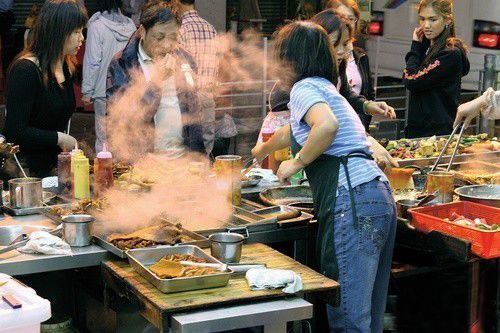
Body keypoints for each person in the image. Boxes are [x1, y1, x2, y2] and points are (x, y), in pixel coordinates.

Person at [252, 21, 396, 333]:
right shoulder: (325, 88)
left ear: (292, 59)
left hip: (354, 201)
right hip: (378, 196)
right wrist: (261, 148)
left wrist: (296, 163)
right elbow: (294, 129)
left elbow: (326, 127)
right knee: (366, 317)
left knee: (348, 318)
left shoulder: (304, 88)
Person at [107, 0, 204, 158]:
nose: (166, 45)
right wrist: (157, 81)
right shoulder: (122, 63)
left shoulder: (185, 59)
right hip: (144, 164)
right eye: (159, 37)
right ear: (143, 31)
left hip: (183, 162)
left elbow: (195, 114)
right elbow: (123, 120)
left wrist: (200, 157)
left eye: (173, 37)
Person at [4, 0, 87, 178]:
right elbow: (15, 131)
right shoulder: (26, 70)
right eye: (77, 32)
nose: (82, 38)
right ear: (59, 32)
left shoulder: (65, 64)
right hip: (25, 173)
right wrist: (60, 138)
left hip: (54, 169)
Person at [311, 10, 398, 170]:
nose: (340, 51)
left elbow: (346, 95)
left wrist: (368, 105)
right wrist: (365, 138)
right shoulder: (309, 78)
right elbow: (330, 120)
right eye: (333, 44)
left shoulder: (338, 67)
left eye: (344, 44)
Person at [403, 0, 469, 138]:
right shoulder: (428, 47)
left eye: (433, 19)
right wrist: (419, 47)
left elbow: (411, 80)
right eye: (422, 19)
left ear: (447, 20)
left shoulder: (449, 53)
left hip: (437, 134)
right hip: (421, 131)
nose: (426, 25)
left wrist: (415, 46)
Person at [82, 0, 136, 152]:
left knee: (104, 138)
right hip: (127, 90)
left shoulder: (96, 26)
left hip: (103, 89)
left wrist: (87, 91)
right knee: (124, 135)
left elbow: (93, 61)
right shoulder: (131, 25)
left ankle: (104, 172)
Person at [175, 0, 224, 157]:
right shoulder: (210, 28)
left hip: (187, 99)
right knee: (207, 146)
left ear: (177, 3)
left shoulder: (180, 30)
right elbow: (219, 62)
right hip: (208, 95)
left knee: (187, 148)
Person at [324, 1, 377, 132]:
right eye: (340, 17)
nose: (340, 51)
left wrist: (368, 106)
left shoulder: (360, 56)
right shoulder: (314, 67)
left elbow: (349, 93)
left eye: (350, 18)